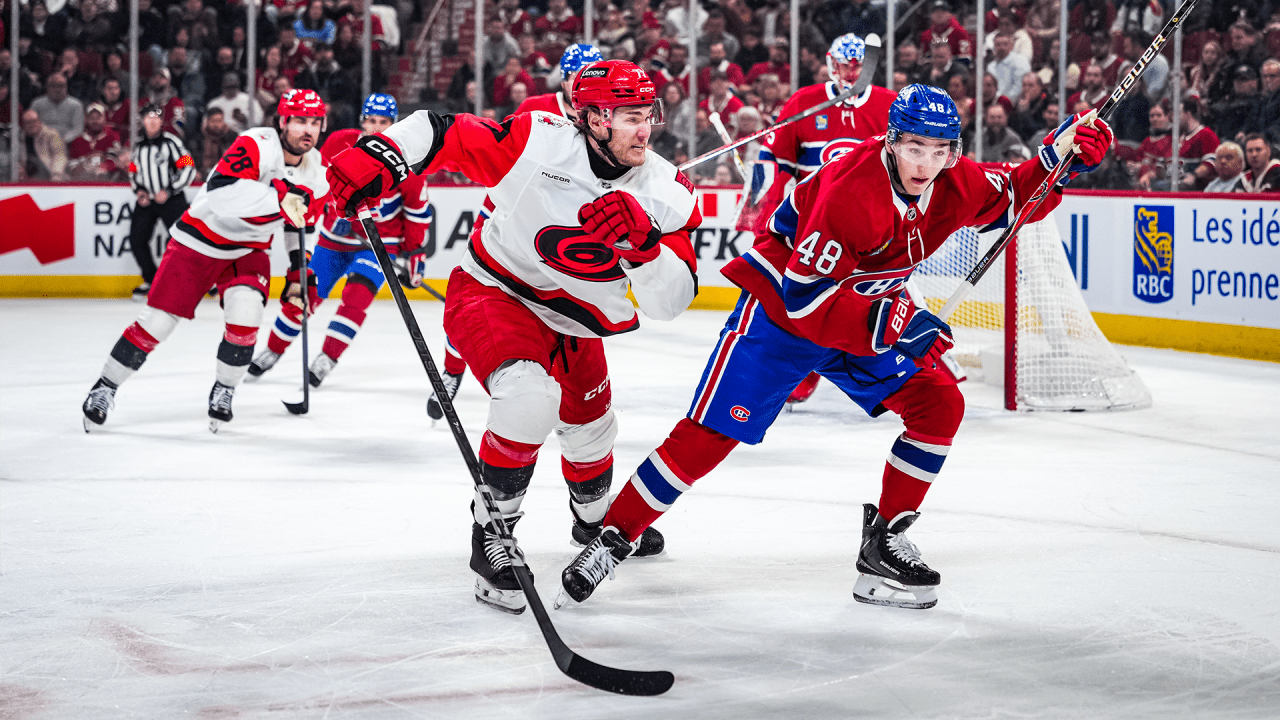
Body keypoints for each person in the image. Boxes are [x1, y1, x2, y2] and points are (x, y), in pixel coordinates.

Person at [553, 85, 1113, 611]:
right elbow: (805, 301)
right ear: (892, 141)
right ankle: (613, 537)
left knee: (939, 403)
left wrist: (1061, 157)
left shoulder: (954, 179)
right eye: (913, 147)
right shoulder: (852, 191)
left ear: (953, 152)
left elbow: (1017, 194)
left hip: (863, 316)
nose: (924, 163)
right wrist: (897, 319)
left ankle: (885, 542)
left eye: (938, 150)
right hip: (785, 319)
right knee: (710, 435)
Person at [324, 60, 696, 614]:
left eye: (648, 115)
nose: (645, 129)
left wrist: (645, 252)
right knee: (528, 399)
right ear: (591, 117)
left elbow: (673, 301)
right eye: (628, 117)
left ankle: (592, 524)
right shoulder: (538, 142)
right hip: (497, 291)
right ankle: (492, 536)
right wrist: (381, 155)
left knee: (593, 435)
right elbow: (441, 130)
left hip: (577, 322)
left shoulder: (666, 192)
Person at [80, 90, 329, 434]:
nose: (308, 130)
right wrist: (280, 196)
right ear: (283, 121)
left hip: (248, 248)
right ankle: (105, 387)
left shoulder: (316, 172)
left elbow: (301, 224)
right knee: (158, 322)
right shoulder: (255, 142)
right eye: (300, 120)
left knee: (246, 318)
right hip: (198, 240)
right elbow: (224, 195)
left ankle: (225, 390)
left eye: (315, 123)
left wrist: (299, 270)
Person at [745, 34, 897, 406]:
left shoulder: (889, 105)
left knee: (874, 298)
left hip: (873, 226)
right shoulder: (805, 102)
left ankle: (894, 367)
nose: (851, 72)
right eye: (844, 64)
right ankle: (805, 369)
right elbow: (773, 161)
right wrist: (756, 208)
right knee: (805, 298)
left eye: (857, 65)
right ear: (830, 63)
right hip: (812, 225)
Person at [247, 94, 431, 387]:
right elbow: (319, 181)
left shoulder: (409, 160)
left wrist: (415, 255)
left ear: (394, 124)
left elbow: (417, 214)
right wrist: (328, 210)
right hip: (335, 238)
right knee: (303, 297)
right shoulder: (340, 143)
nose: (377, 128)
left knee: (355, 301)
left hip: (381, 245)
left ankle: (327, 358)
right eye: (372, 121)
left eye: (384, 122)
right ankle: (273, 349)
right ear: (363, 121)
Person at [126, 104, 197, 300]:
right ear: (142, 121)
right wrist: (139, 191)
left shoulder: (171, 142)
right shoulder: (139, 146)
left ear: (161, 121)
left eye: (156, 118)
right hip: (147, 201)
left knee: (184, 240)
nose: (152, 121)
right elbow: (133, 171)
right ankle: (151, 280)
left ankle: (197, 280)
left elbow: (188, 167)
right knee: (136, 239)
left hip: (171, 199)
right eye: (148, 117)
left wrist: (170, 190)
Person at [67, 102, 123, 181]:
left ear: (104, 118)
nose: (95, 121)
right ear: (86, 119)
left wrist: (103, 165)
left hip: (108, 184)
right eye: (92, 118)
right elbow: (72, 168)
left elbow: (113, 161)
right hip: (82, 184)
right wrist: (86, 162)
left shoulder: (112, 137)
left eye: (98, 118)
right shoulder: (77, 141)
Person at [30, 73, 85, 143]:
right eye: (53, 86)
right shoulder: (37, 104)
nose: (57, 89)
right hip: (41, 142)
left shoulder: (76, 105)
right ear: (47, 87)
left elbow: (78, 129)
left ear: (66, 87)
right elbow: (31, 125)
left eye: (61, 86)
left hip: (67, 143)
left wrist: (63, 140)